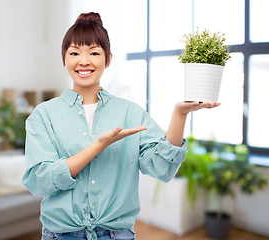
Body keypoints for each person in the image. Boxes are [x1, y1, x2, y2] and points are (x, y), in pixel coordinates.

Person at [22, 12, 220, 240]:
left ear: (108, 59)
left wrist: (180, 114)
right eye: (75, 53)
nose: (84, 61)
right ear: (64, 59)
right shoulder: (44, 115)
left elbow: (161, 168)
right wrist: (98, 146)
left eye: (94, 53)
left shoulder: (130, 112)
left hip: (117, 236)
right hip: (61, 235)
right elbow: (40, 180)